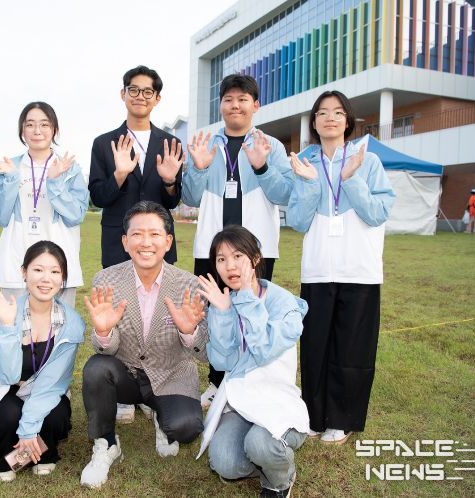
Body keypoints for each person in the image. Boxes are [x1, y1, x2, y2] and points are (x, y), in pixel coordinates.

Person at [288, 90, 395, 445]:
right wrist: (308, 183)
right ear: (314, 121)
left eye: (337, 112)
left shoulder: (368, 160)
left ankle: (342, 419)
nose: (330, 118)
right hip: (318, 269)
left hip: (359, 269)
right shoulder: (305, 161)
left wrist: (351, 179)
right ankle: (314, 416)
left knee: (352, 347)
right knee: (315, 346)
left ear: (348, 120)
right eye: (322, 112)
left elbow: (378, 213)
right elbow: (298, 221)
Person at [79, 201, 209, 489]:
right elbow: (105, 349)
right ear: (125, 242)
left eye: (154, 234)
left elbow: (204, 353)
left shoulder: (189, 286)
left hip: (170, 374)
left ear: (168, 241)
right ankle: (106, 443)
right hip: (126, 374)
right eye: (137, 234)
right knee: (96, 368)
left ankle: (163, 418)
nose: (146, 243)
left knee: (186, 428)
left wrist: (189, 332)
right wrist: (103, 331)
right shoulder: (107, 280)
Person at [182, 73, 293, 407]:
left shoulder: (270, 146)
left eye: (243, 99)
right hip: (211, 249)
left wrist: (262, 168)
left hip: (256, 251)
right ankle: (217, 382)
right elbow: (190, 196)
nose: (235, 105)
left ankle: (249, 379)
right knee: (215, 313)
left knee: (252, 310)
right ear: (220, 105)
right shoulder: (207, 143)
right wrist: (199, 168)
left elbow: (285, 194)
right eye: (228, 99)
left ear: (255, 105)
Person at [88, 64, 185, 423]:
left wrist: (170, 181)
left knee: (157, 313)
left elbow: (173, 199)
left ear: (157, 98)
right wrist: (119, 174)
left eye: (148, 91)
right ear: (123, 94)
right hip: (119, 239)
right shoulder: (104, 143)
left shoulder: (170, 143)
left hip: (157, 242)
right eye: (134, 89)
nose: (140, 96)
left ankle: (152, 385)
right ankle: (122, 390)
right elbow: (98, 195)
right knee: (120, 312)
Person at [196, 226, 309, 498]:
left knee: (260, 443)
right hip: (241, 403)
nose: (229, 266)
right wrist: (223, 313)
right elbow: (222, 362)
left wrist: (247, 298)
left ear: (256, 258)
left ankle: (279, 480)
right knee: (224, 463)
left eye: (238, 256)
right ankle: (264, 459)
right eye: (221, 259)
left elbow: (263, 349)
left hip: (278, 400)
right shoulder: (225, 302)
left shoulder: (285, 305)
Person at [0, 241, 85, 481]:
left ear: (63, 278)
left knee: (54, 416)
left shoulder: (72, 323)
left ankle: (43, 453)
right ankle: (3, 459)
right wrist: (7, 327)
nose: (46, 279)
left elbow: (52, 384)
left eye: (54, 271)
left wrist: (28, 429)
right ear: (24, 273)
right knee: (8, 416)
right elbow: (5, 375)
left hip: (48, 389)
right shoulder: (7, 312)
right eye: (38, 270)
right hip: (9, 388)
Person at [0, 102, 88, 307]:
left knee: (60, 325)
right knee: (15, 324)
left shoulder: (70, 168)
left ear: (54, 130)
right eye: (30, 124)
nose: (37, 131)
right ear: (22, 130)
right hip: (16, 263)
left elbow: (75, 216)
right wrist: (10, 178)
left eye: (44, 124)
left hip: (59, 264)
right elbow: (0, 217)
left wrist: (55, 182)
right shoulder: (9, 166)